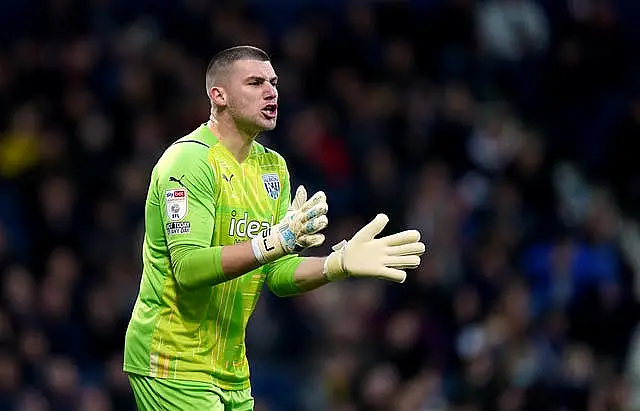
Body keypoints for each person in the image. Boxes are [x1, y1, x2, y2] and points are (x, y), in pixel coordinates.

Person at [123, 45, 426, 411]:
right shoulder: (189, 161)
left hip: (231, 369)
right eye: (254, 82)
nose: (271, 91)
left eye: (273, 82)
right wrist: (273, 242)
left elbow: (276, 273)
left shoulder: (273, 168)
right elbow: (188, 268)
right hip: (171, 361)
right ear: (218, 95)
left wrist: (335, 265)